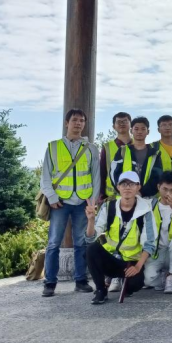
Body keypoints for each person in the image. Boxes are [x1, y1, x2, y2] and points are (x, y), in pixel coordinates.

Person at [40, 109, 101, 298]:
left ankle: (81, 280)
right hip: (60, 202)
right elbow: (45, 176)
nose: (78, 123)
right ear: (66, 123)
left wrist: (93, 201)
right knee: (53, 243)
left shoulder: (91, 148)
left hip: (83, 201)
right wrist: (52, 197)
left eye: (82, 120)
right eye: (75, 120)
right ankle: (50, 283)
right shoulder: (53, 147)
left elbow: (96, 176)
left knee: (81, 242)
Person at [85, 171, 158, 305]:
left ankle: (124, 282)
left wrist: (138, 267)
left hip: (131, 262)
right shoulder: (108, 207)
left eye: (131, 184)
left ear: (138, 187)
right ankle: (101, 290)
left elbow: (149, 244)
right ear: (118, 187)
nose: (127, 187)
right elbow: (91, 237)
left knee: (135, 284)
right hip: (111, 258)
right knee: (91, 249)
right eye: (123, 184)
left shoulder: (146, 211)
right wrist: (91, 220)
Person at [111, 116, 162, 198]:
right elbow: (114, 173)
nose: (139, 132)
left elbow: (157, 176)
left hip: (147, 198)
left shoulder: (155, 153)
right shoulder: (123, 151)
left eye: (143, 129)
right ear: (131, 131)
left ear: (148, 132)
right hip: (125, 197)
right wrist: (124, 190)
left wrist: (141, 192)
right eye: (136, 129)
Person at [99, 112, 132, 201]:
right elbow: (102, 173)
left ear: (130, 124)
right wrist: (101, 195)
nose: (122, 124)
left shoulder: (138, 145)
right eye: (119, 122)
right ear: (114, 126)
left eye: (125, 121)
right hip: (111, 197)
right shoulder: (107, 147)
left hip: (134, 196)